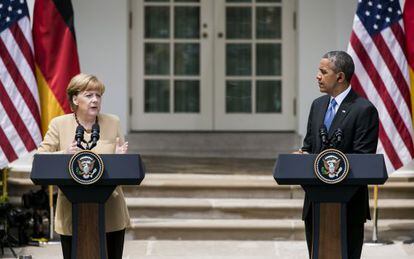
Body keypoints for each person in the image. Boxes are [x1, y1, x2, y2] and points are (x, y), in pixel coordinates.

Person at [37, 73, 130, 259]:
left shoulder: (113, 122)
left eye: (98, 95)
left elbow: (121, 164)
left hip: (110, 209)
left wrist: (120, 160)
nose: (95, 100)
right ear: (75, 99)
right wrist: (64, 155)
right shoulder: (59, 124)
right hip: (72, 210)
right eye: (89, 95)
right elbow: (40, 159)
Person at [298, 51, 379, 259]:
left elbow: (363, 160)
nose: (317, 76)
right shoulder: (317, 106)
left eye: (323, 72)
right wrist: (301, 155)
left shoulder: (364, 110)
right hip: (315, 205)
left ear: (340, 77)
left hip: (348, 206)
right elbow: (308, 146)